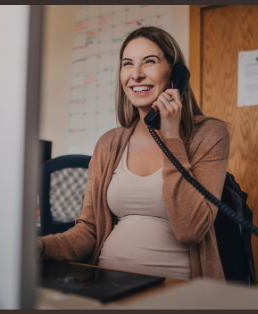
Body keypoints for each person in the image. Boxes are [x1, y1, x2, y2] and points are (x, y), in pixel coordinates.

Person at [38, 26, 230, 281]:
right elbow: (89, 231)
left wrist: (172, 136)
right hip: (105, 287)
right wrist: (39, 247)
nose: (136, 74)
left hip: (177, 291)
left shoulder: (209, 134)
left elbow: (191, 230)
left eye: (149, 61)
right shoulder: (109, 143)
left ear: (175, 75)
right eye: (128, 64)